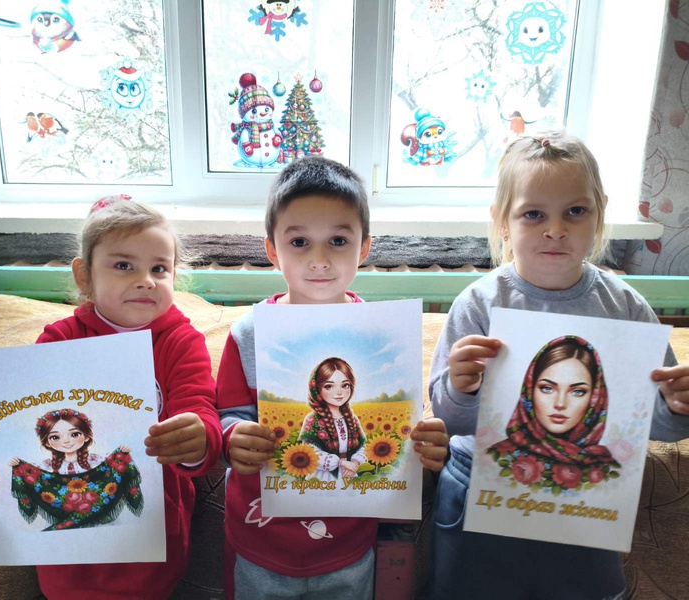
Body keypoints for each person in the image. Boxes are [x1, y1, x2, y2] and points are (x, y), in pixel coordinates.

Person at [427, 131, 689, 599]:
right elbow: (451, 421)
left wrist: (676, 405)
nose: (555, 229)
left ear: (599, 213)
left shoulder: (625, 307)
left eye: (575, 211)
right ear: (502, 221)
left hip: (586, 502)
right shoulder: (479, 303)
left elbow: (657, 429)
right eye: (533, 214)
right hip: (478, 488)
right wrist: (461, 388)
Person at [0, 196, 223, 600]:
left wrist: (199, 438)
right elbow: (16, 424)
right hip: (63, 546)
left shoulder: (182, 343)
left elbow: (201, 412)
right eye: (124, 265)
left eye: (159, 268)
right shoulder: (58, 339)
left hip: (151, 536)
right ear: (84, 276)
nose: (146, 280)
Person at [216, 156, 450, 599]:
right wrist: (233, 437)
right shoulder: (249, 333)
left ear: (364, 248)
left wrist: (424, 442)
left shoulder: (386, 334)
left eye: (338, 241)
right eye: (299, 242)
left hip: (350, 546)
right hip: (260, 539)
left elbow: (403, 431)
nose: (319, 260)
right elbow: (228, 415)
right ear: (272, 250)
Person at [488, 336, 620, 491]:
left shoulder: (608, 469)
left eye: (577, 391)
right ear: (529, 390)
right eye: (547, 388)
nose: (560, 404)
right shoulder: (495, 458)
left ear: (595, 398)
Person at [9, 408, 142, 531]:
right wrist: (19, 465)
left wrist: (121, 453)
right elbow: (31, 473)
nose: (66, 441)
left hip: (102, 525)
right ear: (47, 442)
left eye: (75, 434)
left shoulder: (96, 460)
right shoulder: (47, 466)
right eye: (55, 437)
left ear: (86, 436)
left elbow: (112, 465)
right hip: (63, 526)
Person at [299, 357, 368, 481]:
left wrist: (355, 462)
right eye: (329, 386)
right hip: (323, 476)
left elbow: (363, 446)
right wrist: (341, 463)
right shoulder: (313, 419)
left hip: (349, 473)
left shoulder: (351, 419)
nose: (339, 392)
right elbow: (309, 452)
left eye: (345, 385)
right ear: (317, 389)